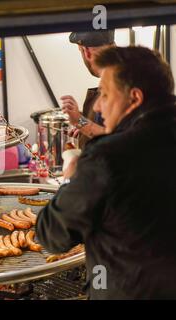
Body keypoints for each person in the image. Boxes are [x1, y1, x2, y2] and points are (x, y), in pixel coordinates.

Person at [36, 46, 176, 299]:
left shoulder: (106, 158)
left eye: (105, 94)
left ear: (134, 98)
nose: (99, 107)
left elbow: (52, 235)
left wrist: (70, 178)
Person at [61, 30, 115, 148]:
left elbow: (117, 139)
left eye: (80, 50)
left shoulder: (120, 84)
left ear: (87, 52)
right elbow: (102, 130)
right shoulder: (113, 76)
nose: (97, 106)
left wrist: (80, 122)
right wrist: (82, 124)